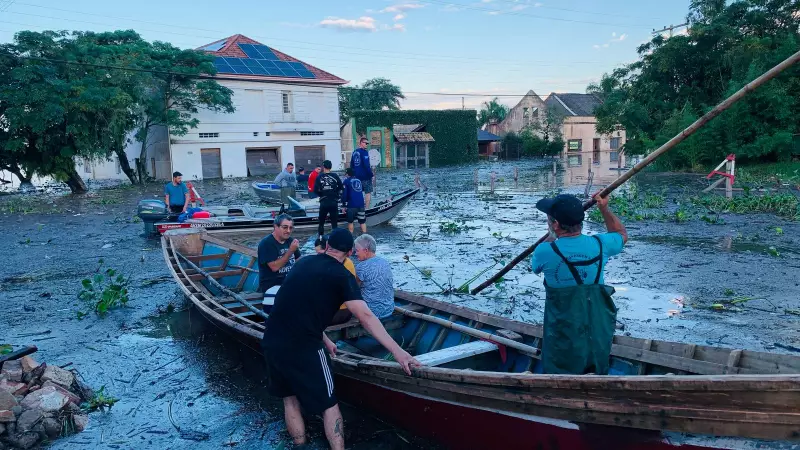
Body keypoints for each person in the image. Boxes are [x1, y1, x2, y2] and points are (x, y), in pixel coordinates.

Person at [262, 228, 420, 450]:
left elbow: (295, 305)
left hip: (272, 339)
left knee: (289, 399)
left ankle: (300, 444)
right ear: (350, 252)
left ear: (327, 246)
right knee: (329, 403)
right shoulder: (342, 275)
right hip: (303, 345)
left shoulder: (303, 262)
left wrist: (325, 339)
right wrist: (397, 351)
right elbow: (365, 315)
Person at [531, 193, 627, 375]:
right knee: (597, 359)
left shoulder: (544, 251)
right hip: (597, 329)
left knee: (560, 367)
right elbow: (621, 234)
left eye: (549, 220)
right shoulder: (601, 244)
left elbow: (536, 268)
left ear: (556, 225)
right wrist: (604, 209)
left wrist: (551, 236)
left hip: (563, 331)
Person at [258, 214, 301, 297]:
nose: (288, 231)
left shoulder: (290, 241)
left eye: (290, 228)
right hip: (272, 286)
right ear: (275, 226)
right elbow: (274, 267)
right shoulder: (266, 243)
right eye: (285, 227)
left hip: (289, 282)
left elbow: (298, 260)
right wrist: (290, 251)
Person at [316, 234, 355, 325]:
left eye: (319, 253)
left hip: (336, 313)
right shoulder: (349, 262)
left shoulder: (328, 265)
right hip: (347, 311)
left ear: (327, 248)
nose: (318, 256)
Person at [353, 234, 394, 319]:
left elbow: (354, 289)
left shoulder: (361, 267)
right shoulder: (385, 262)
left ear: (366, 250)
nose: (355, 253)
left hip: (371, 313)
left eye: (357, 250)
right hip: (389, 309)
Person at [314, 160, 343, 237]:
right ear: (331, 167)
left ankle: (320, 239)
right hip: (333, 202)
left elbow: (315, 190)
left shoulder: (319, 176)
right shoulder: (335, 176)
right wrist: (335, 194)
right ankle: (335, 239)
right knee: (334, 223)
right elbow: (341, 187)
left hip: (324, 202)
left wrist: (322, 195)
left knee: (321, 223)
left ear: (323, 167)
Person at [350, 137, 375, 208]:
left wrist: (352, 176)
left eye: (367, 143)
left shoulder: (354, 152)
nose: (367, 145)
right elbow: (367, 165)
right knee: (368, 192)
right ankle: (367, 208)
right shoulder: (364, 152)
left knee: (358, 192)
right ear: (361, 143)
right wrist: (371, 175)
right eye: (366, 143)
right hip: (365, 177)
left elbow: (351, 165)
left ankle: (358, 208)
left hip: (356, 177)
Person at [341, 168, 367, 234]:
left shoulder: (346, 181)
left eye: (346, 174)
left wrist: (343, 205)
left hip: (351, 205)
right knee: (362, 221)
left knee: (350, 222)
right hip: (361, 204)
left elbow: (344, 194)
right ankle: (365, 235)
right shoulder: (359, 180)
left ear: (347, 174)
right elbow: (363, 189)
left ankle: (351, 236)